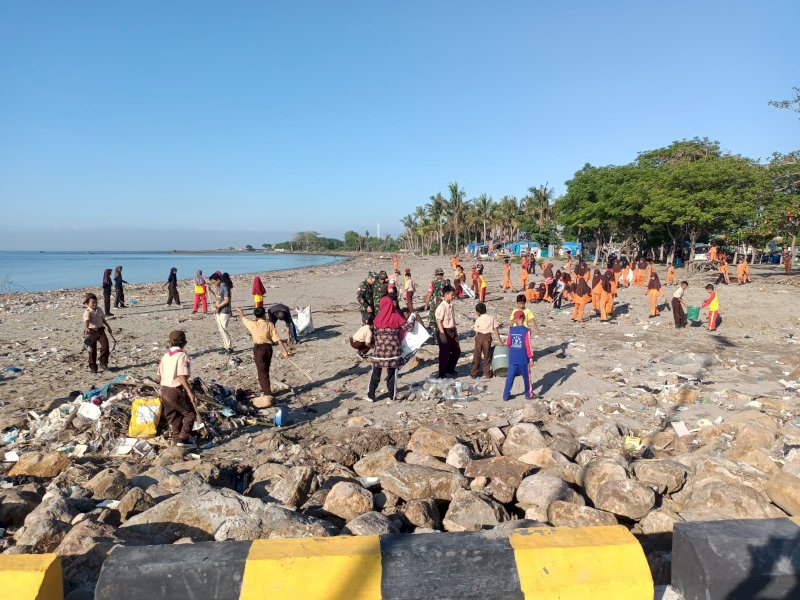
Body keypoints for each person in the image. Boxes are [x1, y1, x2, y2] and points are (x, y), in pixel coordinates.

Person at [366, 296, 416, 401]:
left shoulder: (377, 318)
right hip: (393, 352)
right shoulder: (396, 317)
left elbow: (375, 336)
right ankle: (392, 396)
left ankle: (371, 395)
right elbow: (409, 328)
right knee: (392, 374)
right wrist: (413, 317)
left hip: (379, 352)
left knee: (376, 372)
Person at [236, 307, 289, 406]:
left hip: (259, 349)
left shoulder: (253, 324)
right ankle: (267, 390)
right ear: (264, 315)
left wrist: (241, 312)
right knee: (265, 371)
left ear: (255, 316)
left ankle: (268, 394)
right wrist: (284, 351)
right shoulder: (269, 324)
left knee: (261, 373)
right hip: (268, 349)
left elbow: (243, 319)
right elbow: (277, 339)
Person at [157, 330, 198, 447]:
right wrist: (190, 392)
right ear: (184, 342)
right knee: (190, 414)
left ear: (169, 343)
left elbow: (159, 374)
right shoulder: (182, 355)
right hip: (175, 389)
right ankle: (183, 438)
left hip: (164, 389)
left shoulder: (165, 356)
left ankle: (176, 439)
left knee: (173, 415)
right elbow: (181, 375)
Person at [503, 310, 534, 401]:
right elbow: (528, 345)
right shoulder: (526, 331)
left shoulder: (511, 330)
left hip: (513, 357)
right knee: (527, 377)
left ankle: (506, 395)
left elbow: (508, 343)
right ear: (523, 318)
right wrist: (531, 358)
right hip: (523, 358)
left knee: (510, 377)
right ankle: (528, 394)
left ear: (515, 320)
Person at [435, 285, 461, 378]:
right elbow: (439, 321)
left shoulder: (451, 305)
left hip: (452, 330)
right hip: (445, 331)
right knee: (444, 353)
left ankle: (450, 369)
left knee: (456, 351)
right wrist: (442, 333)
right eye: (452, 294)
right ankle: (442, 373)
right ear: (446, 294)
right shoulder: (441, 307)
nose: (453, 296)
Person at [83, 293, 112, 374]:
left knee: (105, 346)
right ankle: (93, 368)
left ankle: (103, 362)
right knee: (92, 351)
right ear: (87, 303)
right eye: (93, 303)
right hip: (92, 332)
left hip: (101, 330)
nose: (95, 304)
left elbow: (102, 319)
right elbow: (86, 320)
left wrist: (108, 327)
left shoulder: (99, 309)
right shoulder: (87, 312)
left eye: (96, 302)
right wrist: (86, 328)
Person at [471, 302, 501, 379]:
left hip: (479, 337)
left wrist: (476, 338)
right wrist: (499, 340)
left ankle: (474, 373)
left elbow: (476, 331)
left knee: (477, 355)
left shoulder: (478, 319)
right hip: (487, 338)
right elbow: (495, 329)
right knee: (487, 356)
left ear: (477, 312)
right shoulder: (491, 318)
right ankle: (487, 373)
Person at [208, 272, 233, 354]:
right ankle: (226, 346)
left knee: (223, 329)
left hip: (225, 311)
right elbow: (218, 297)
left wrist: (217, 307)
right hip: (219, 311)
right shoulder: (219, 287)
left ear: (218, 280)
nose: (213, 283)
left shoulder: (225, 286)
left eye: (213, 281)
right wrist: (211, 290)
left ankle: (229, 347)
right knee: (220, 329)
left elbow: (227, 300)